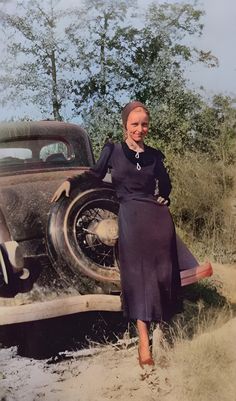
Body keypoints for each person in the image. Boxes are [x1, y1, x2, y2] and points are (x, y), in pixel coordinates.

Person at [51, 101, 182, 368]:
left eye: (144, 124)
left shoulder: (155, 156)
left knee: (161, 276)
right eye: (135, 124)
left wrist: (164, 199)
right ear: (125, 124)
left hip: (157, 220)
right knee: (137, 278)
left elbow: (166, 185)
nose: (140, 129)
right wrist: (70, 182)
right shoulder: (113, 150)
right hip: (130, 218)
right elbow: (96, 174)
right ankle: (144, 341)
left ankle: (161, 330)